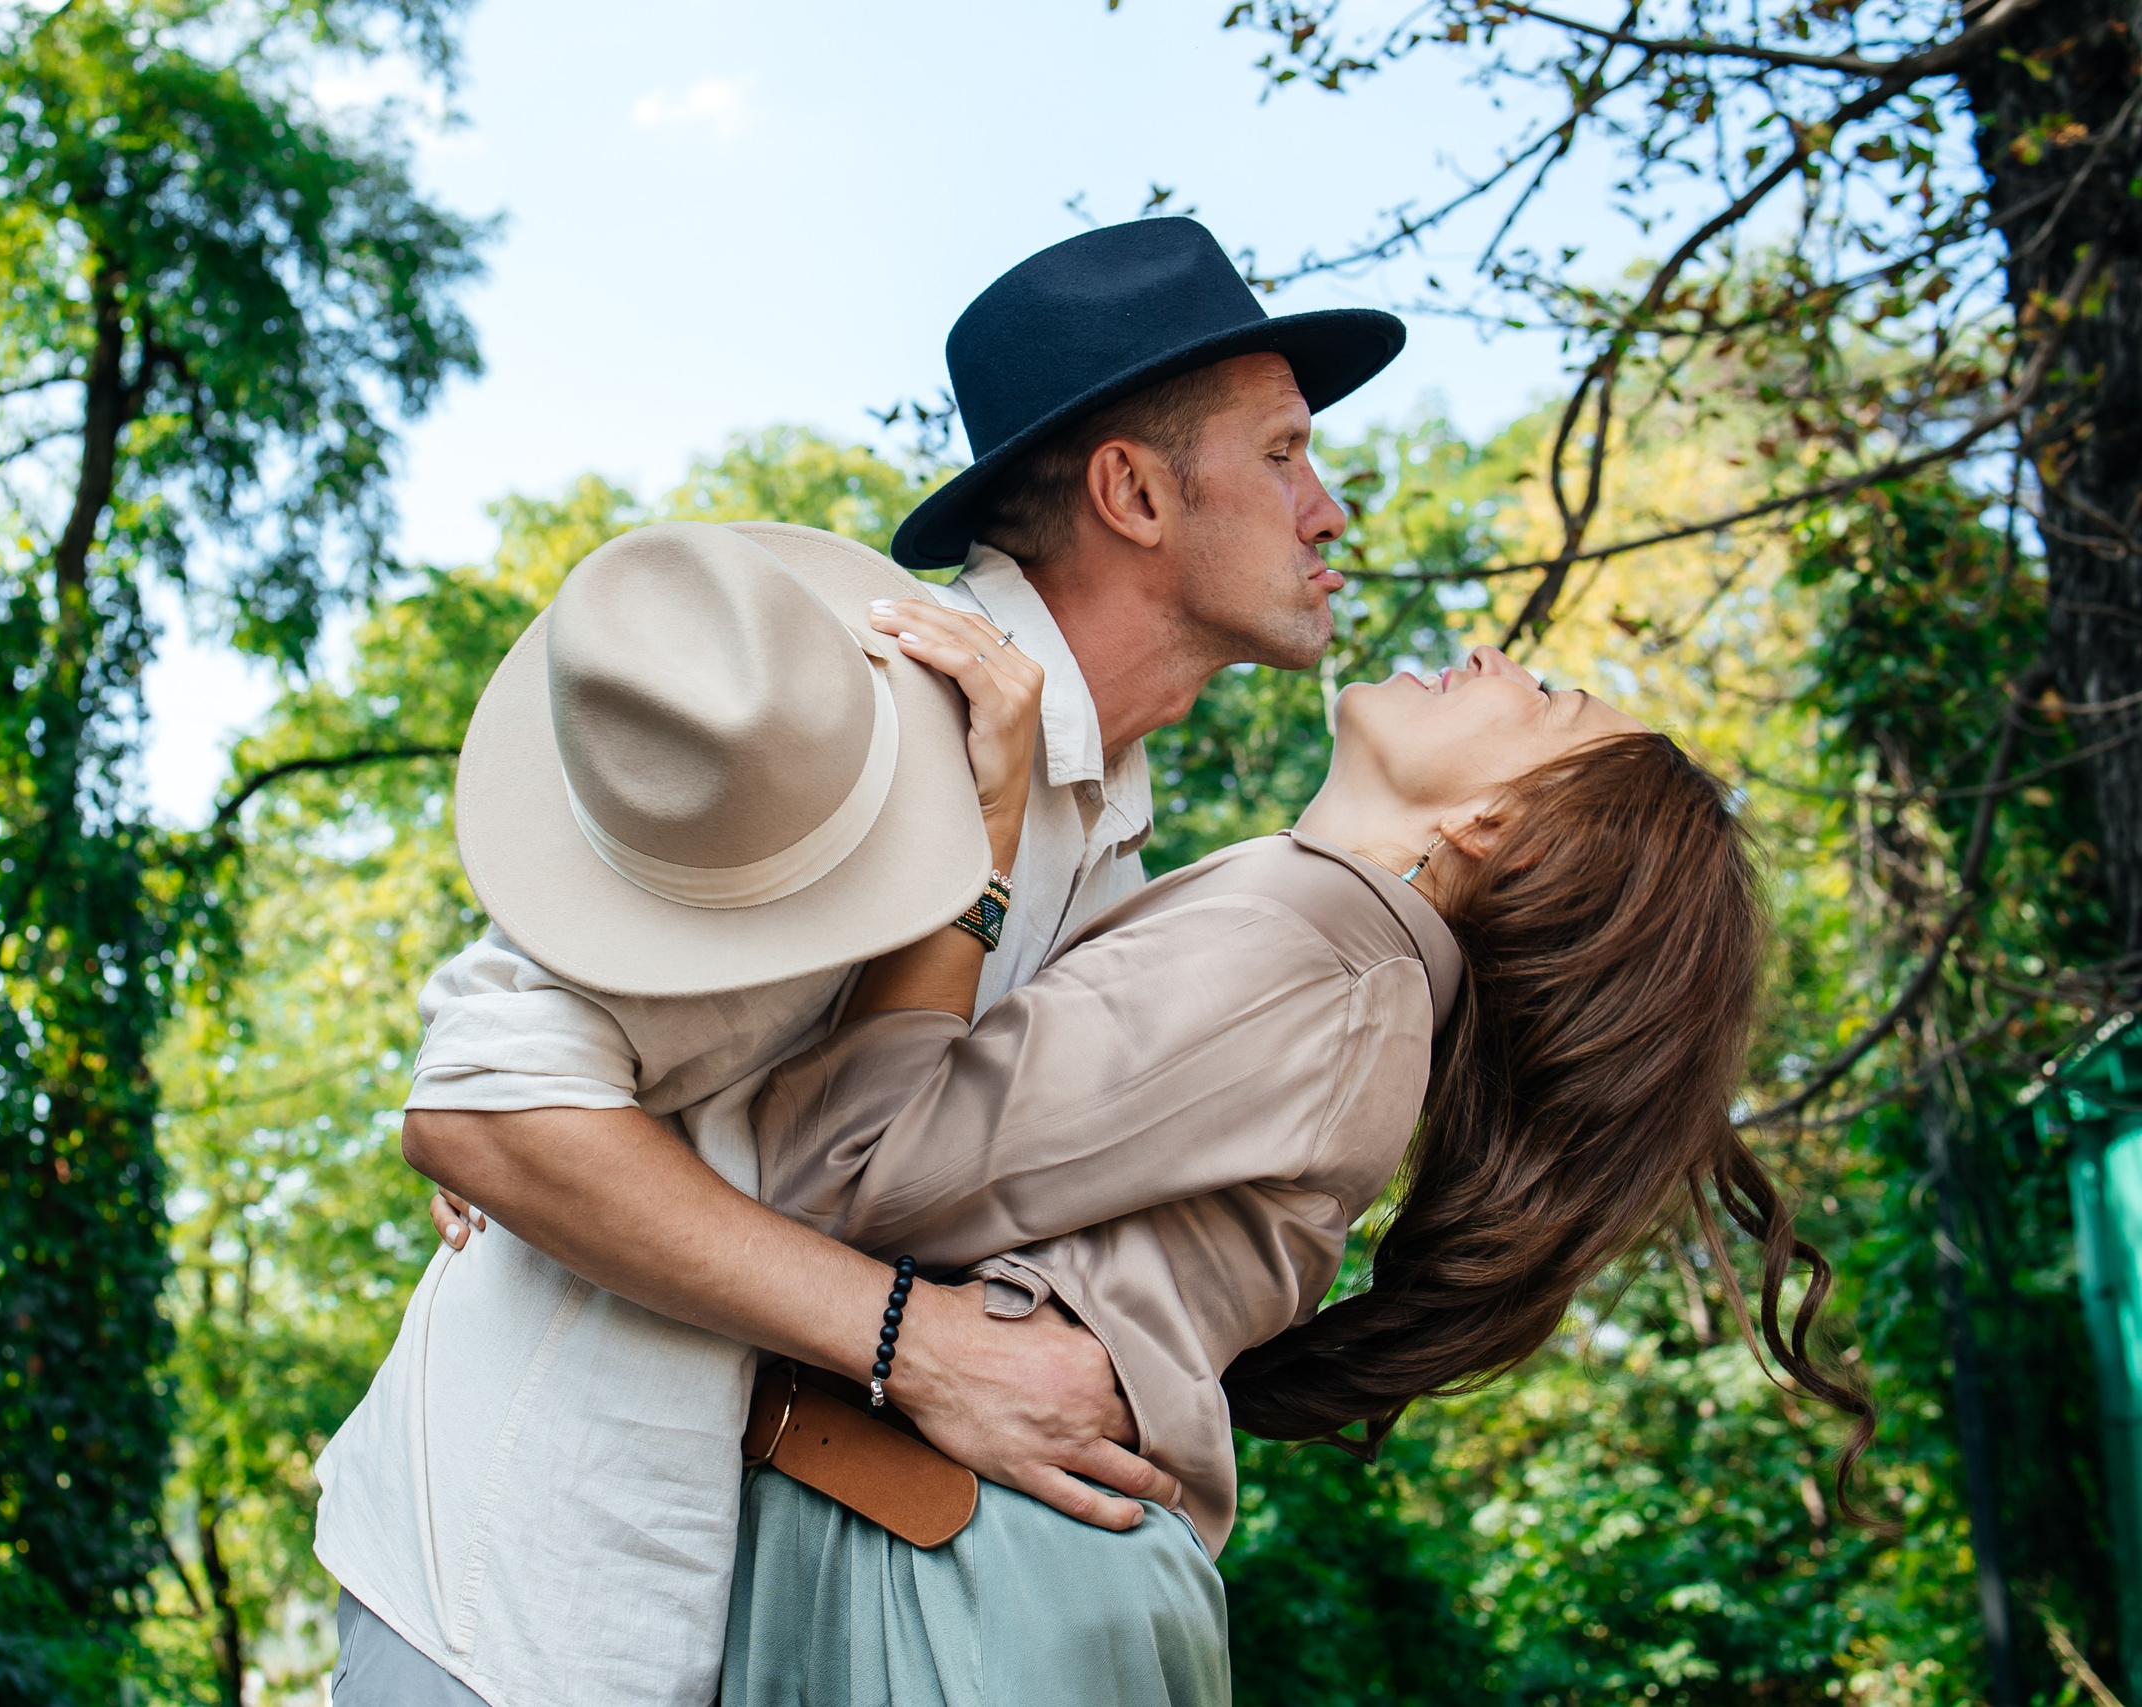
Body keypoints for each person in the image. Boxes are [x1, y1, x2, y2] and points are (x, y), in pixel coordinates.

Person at [314, 214, 1405, 1706]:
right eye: (1284, 452)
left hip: (758, 1616)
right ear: (1134, 491)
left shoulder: (1113, 840)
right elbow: (485, 1108)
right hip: (526, 1603)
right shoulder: (884, 705)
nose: (1329, 507)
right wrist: (922, 1343)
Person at [723, 641, 1879, 1705]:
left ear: (1498, 824)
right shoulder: (1339, 961)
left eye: (1540, 702)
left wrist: (981, 844)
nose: (1491, 657)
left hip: (957, 1576)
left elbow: (836, 1171)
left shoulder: (1316, 952)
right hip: (978, 1564)